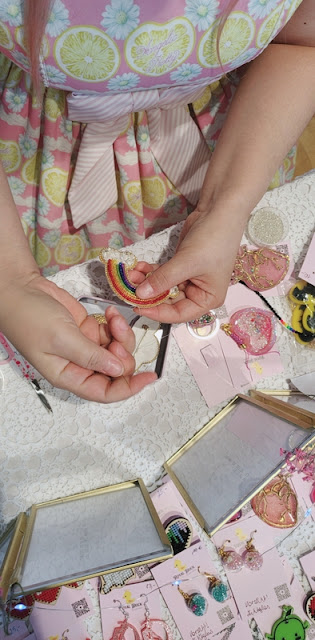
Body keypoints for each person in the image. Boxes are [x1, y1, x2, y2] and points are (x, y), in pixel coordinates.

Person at [0, 0, 314, 402]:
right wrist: (11, 278)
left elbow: (303, 39)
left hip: (238, 139)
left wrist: (225, 208)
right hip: (41, 158)